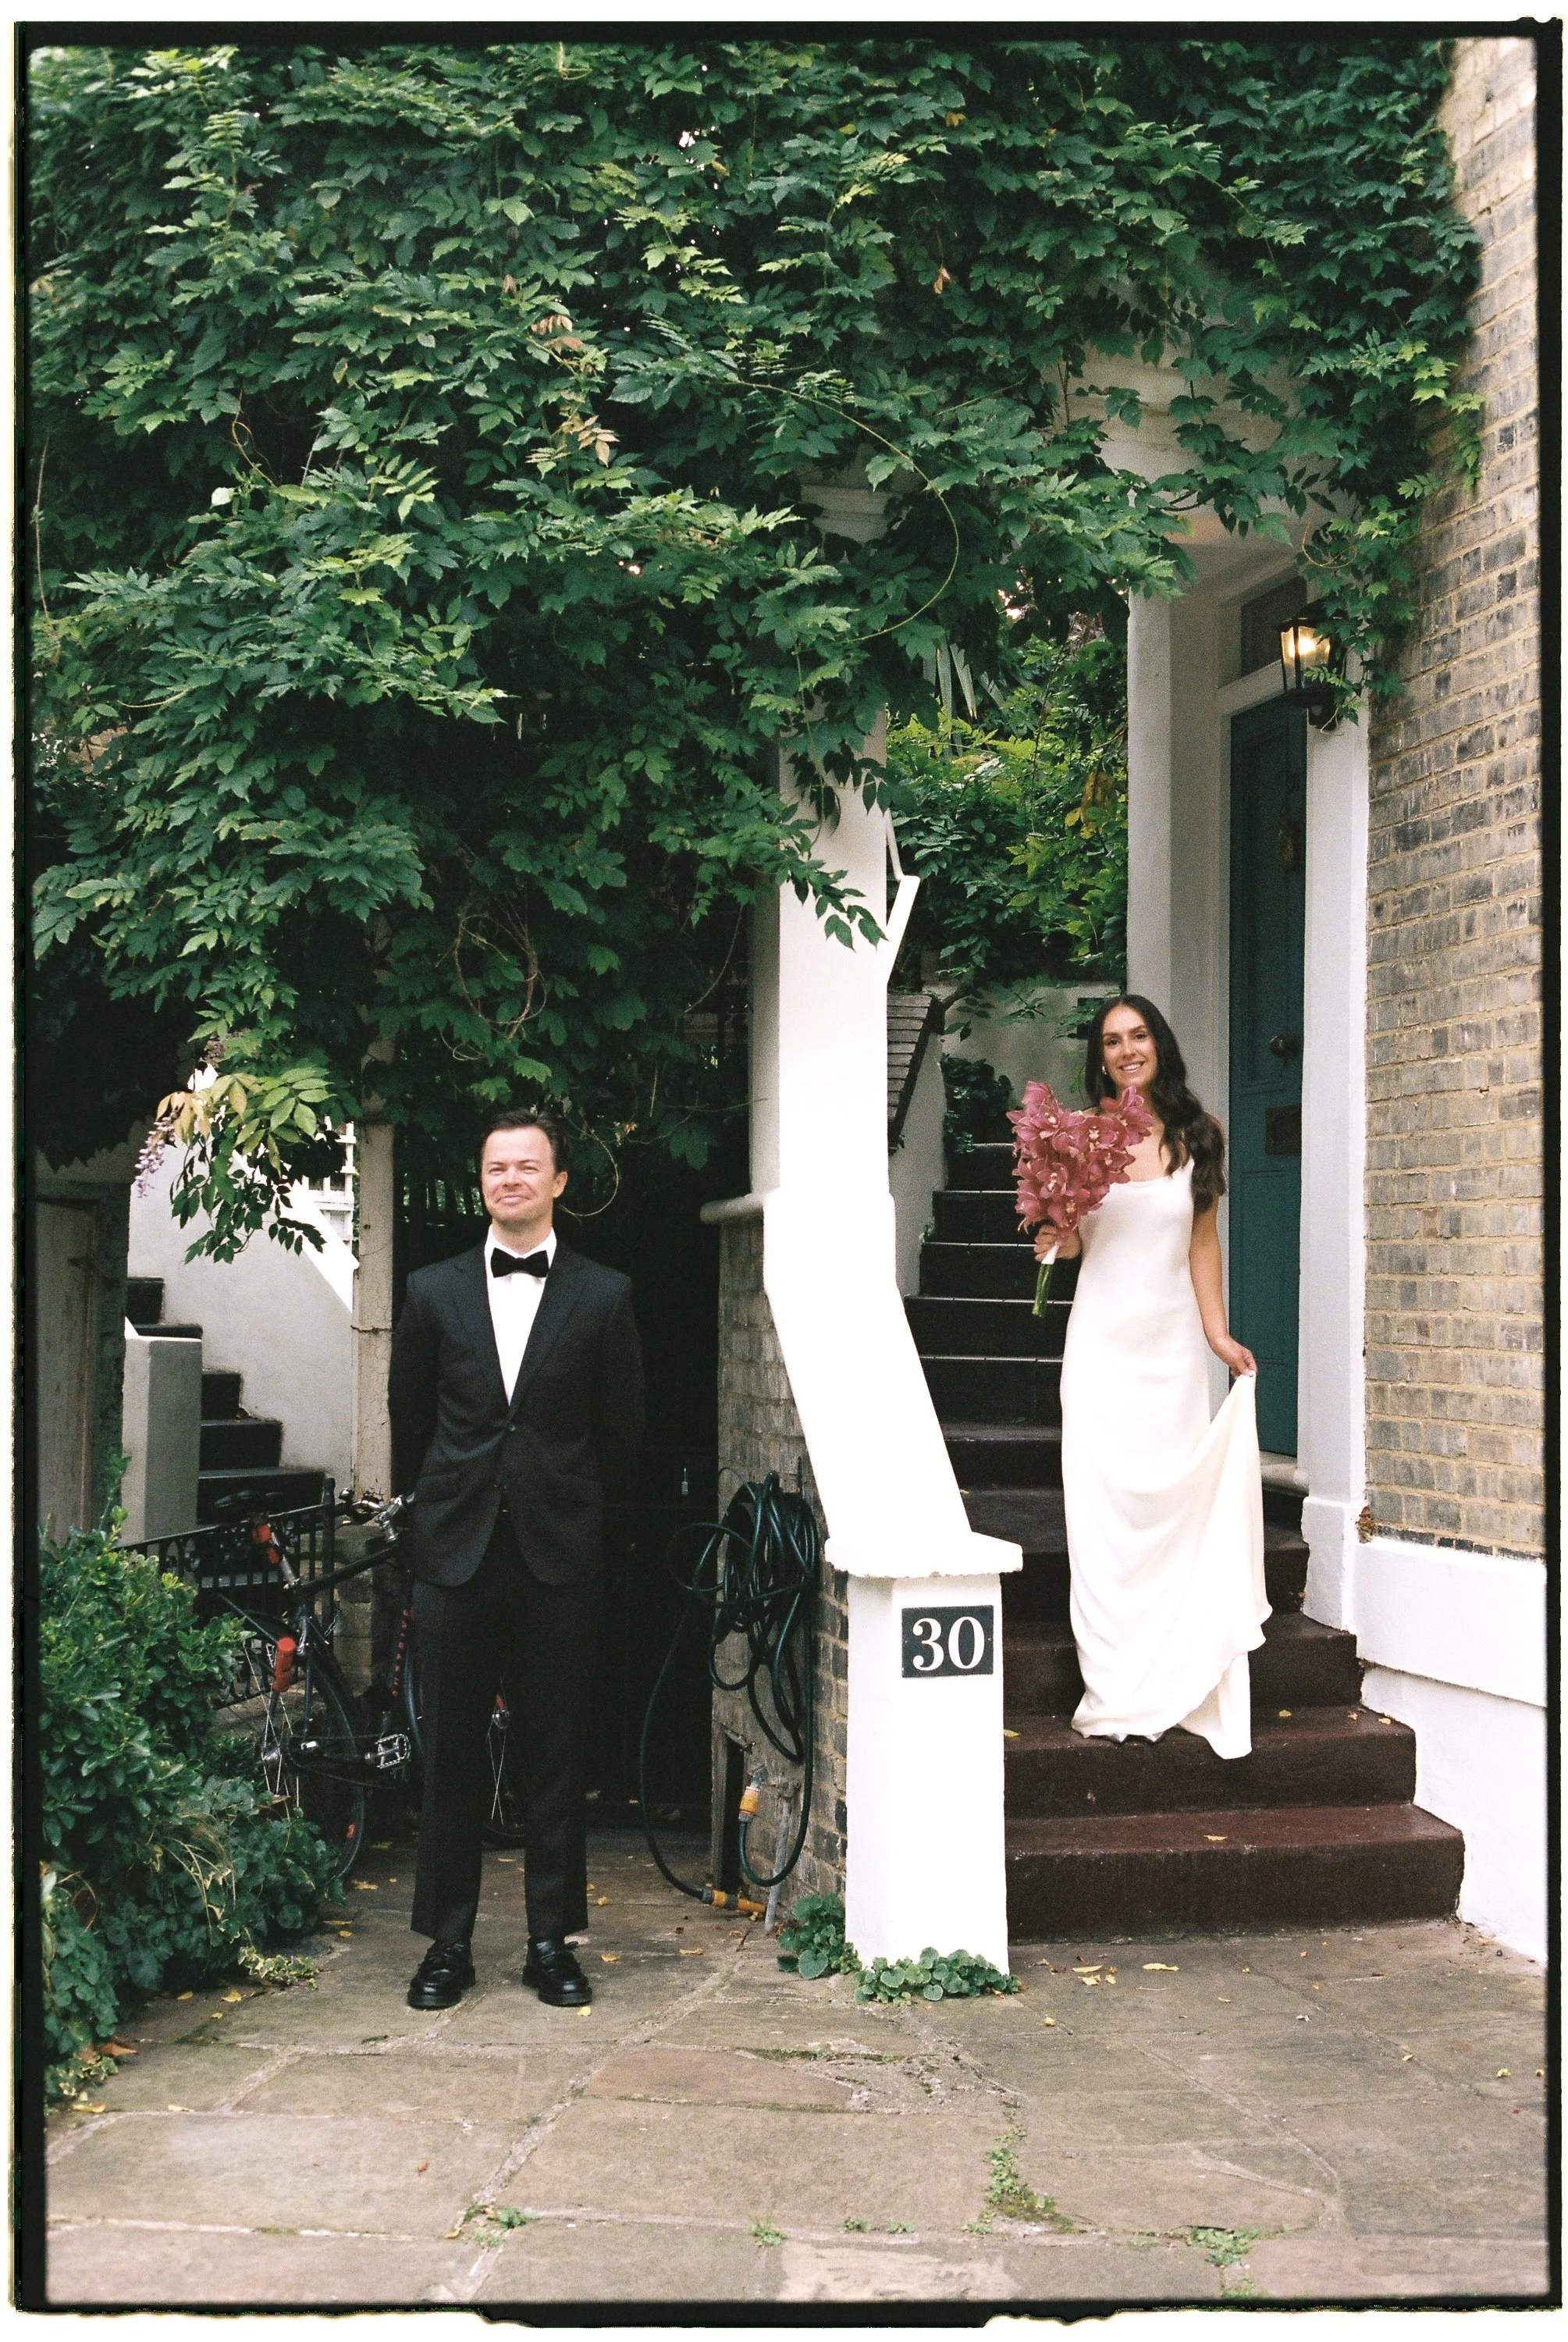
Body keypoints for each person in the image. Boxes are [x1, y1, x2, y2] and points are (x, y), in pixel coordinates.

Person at [389, 1108, 644, 2010]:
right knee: (448, 1755)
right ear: (480, 1180)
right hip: (454, 1552)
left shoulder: (604, 1294)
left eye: (527, 1166)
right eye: (496, 1166)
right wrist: (448, 1504)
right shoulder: (429, 1290)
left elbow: (623, 1434)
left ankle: (549, 1942)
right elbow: (410, 1421)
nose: (511, 1180)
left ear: (559, 1181)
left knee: (554, 1756)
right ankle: (446, 1946)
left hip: (558, 1557)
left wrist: (563, 1500)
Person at [1037, 996, 1268, 1760]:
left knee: (1172, 1508)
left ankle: (1178, 1671)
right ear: (1099, 1058)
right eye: (1112, 1041)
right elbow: (1064, 1250)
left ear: (1158, 1045)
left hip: (1170, 1356)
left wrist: (1216, 1333)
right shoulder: (1084, 1139)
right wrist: (1055, 1218)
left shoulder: (1202, 1138)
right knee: (1103, 1521)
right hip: (1099, 1351)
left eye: (1137, 1036)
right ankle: (1114, 1685)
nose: (1126, 1049)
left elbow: (1202, 1243)